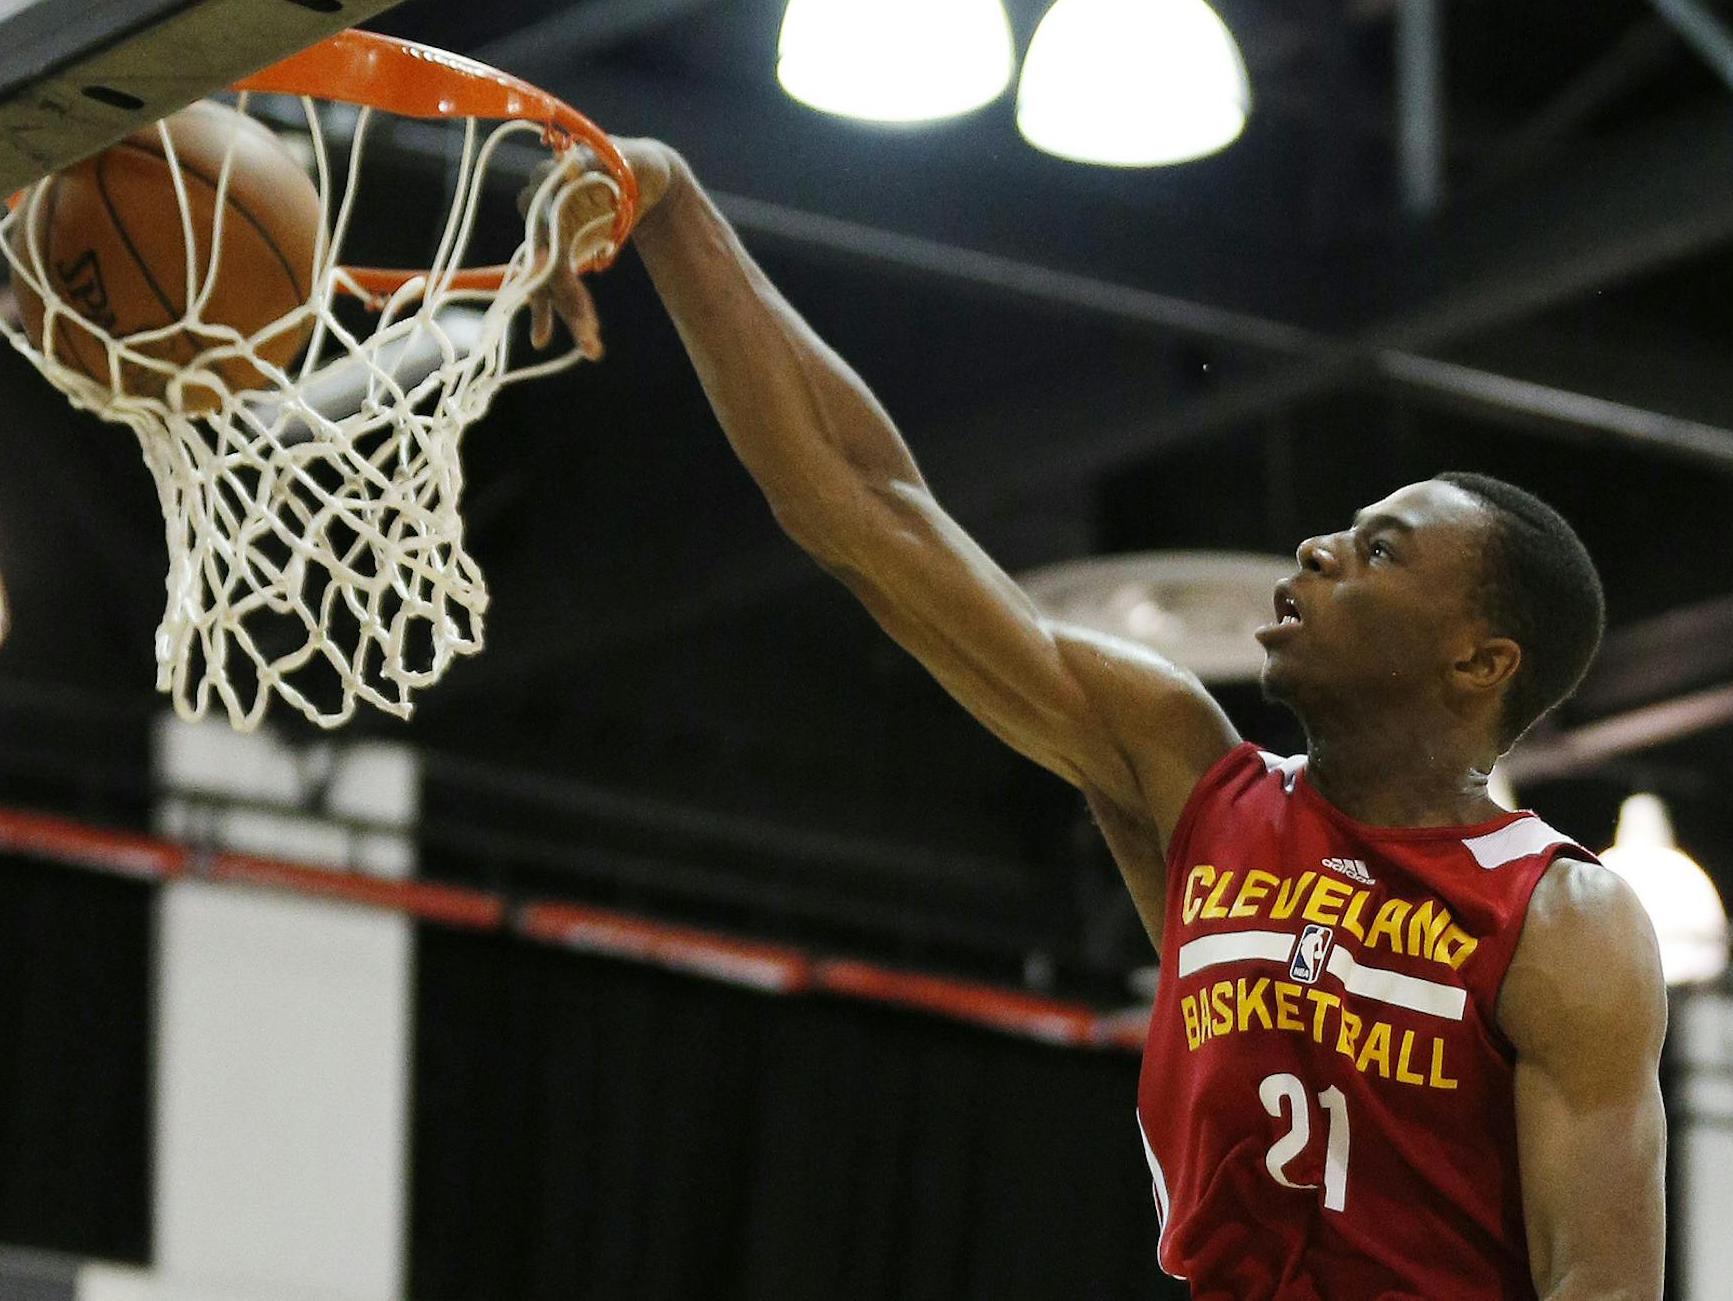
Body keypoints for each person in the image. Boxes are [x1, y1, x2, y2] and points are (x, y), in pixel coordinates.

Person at [528, 139, 1668, 1301]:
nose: (1318, 549)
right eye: (1342, 529)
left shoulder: (1561, 921)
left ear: (1480, 661)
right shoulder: (1185, 772)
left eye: (1381, 551)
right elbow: (866, 511)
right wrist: (671, 203)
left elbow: (1606, 1287)